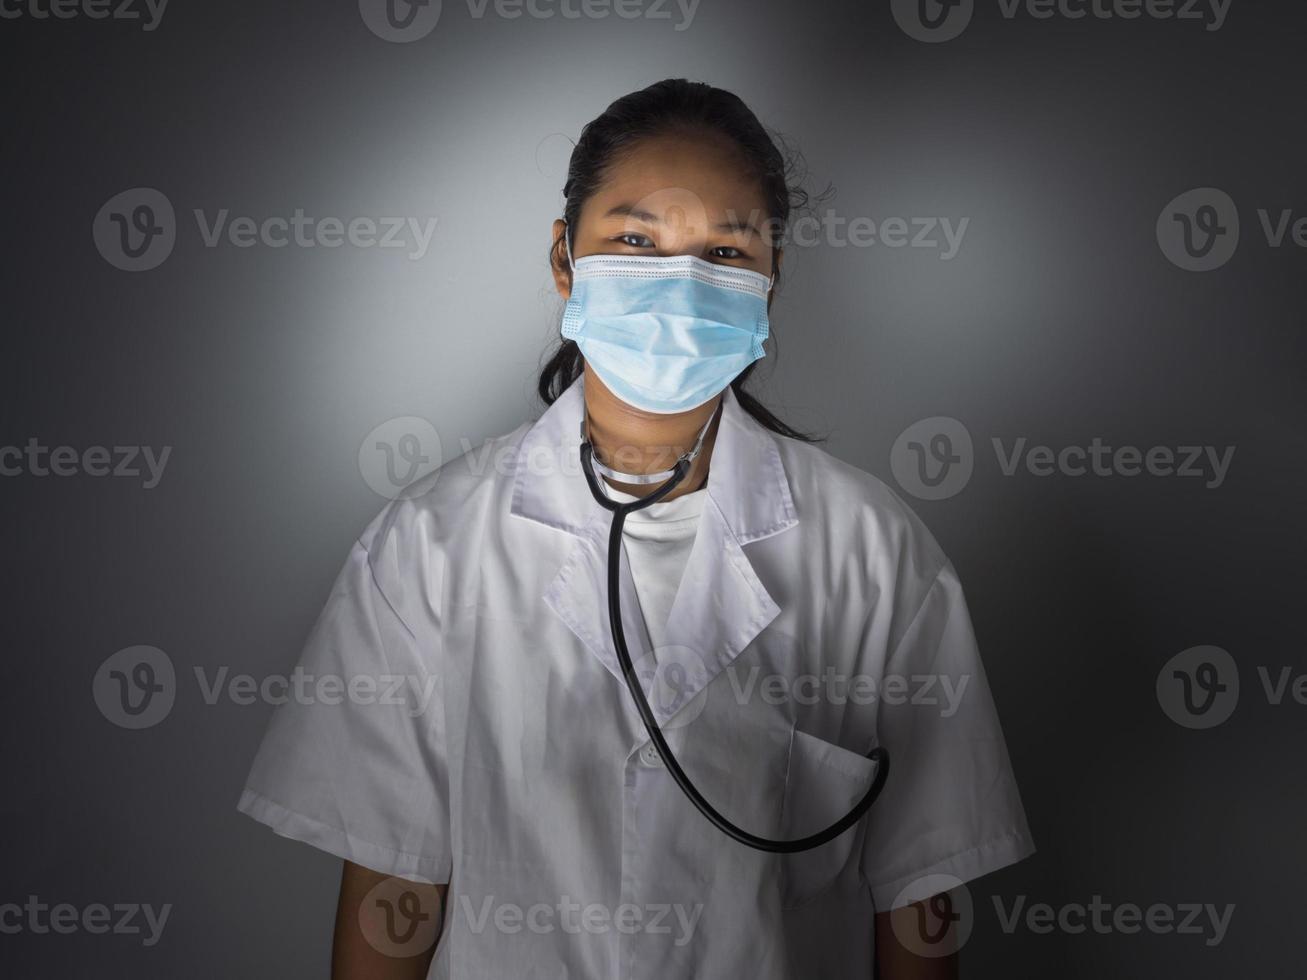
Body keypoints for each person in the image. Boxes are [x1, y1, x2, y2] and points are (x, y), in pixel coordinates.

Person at [238, 78, 1035, 979]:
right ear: (564, 261)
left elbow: (919, 902)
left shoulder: (873, 555)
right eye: (635, 240)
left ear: (772, 280)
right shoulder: (428, 550)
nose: (679, 285)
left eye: (725, 251)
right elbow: (394, 896)